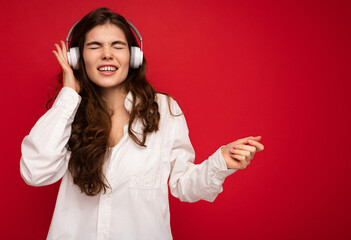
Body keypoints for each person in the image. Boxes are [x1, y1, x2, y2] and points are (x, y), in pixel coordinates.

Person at [20, 7, 264, 240]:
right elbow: (35, 172)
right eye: (94, 46)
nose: (107, 54)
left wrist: (221, 161)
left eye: (118, 46)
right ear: (77, 58)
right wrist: (69, 95)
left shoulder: (164, 110)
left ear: (134, 56)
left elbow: (184, 185)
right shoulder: (67, 113)